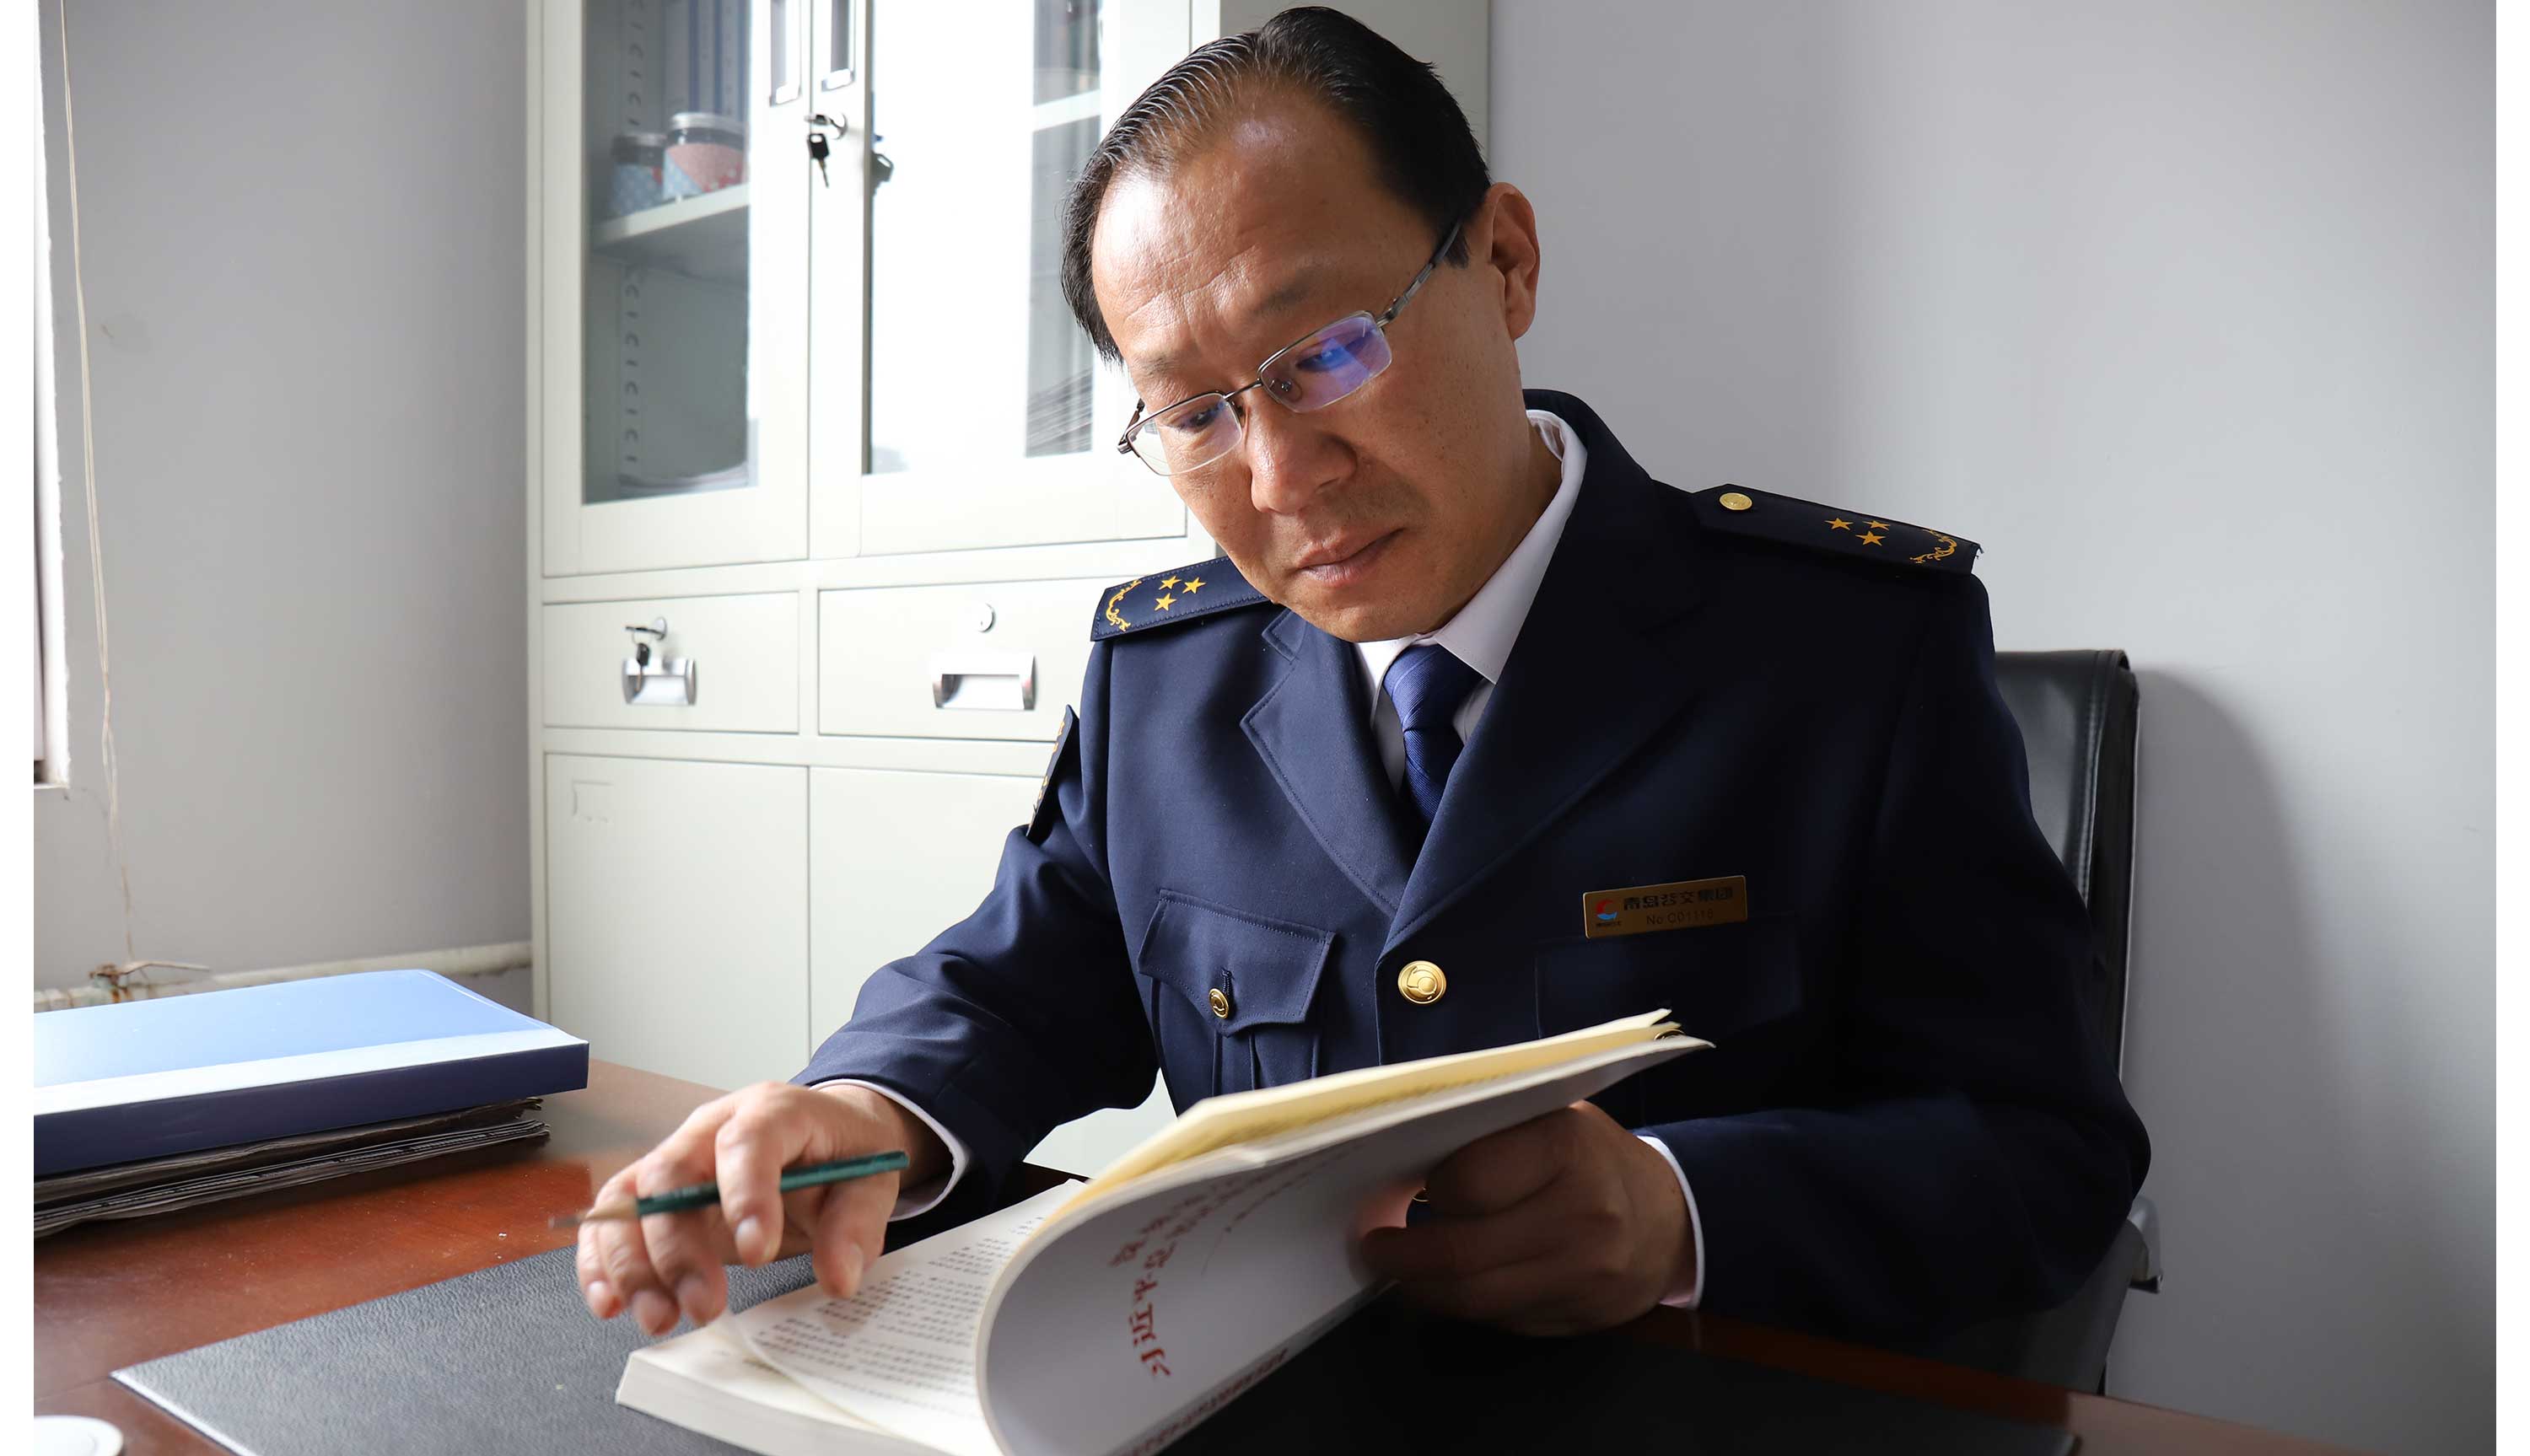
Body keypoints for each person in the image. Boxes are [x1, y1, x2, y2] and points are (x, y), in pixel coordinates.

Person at [577, 6, 2148, 1348]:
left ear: (1506, 262)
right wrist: (863, 1113)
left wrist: (1681, 1210)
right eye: (1195, 414)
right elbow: (1014, 981)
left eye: (1326, 350)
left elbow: (2047, 1152)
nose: (1282, 477)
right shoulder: (1169, 679)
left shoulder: (1846, 652)